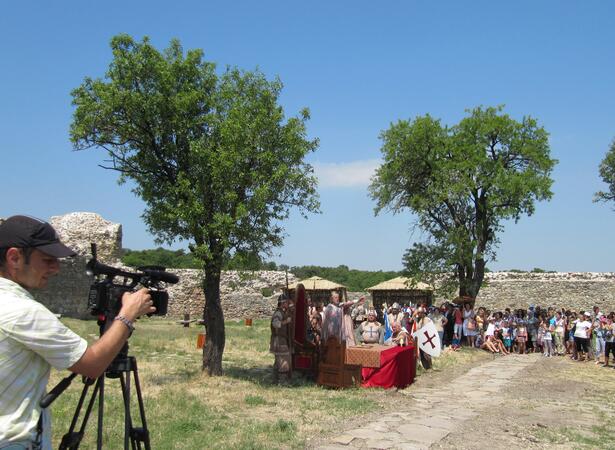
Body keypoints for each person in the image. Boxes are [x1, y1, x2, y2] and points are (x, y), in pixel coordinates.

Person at [0, 215, 154, 450]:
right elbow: (92, 364)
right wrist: (128, 314)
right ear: (14, 258)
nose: (56, 268)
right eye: (48, 259)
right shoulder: (24, 312)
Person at [270, 294, 293, 382]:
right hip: (279, 340)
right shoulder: (278, 313)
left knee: (279, 360)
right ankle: (282, 381)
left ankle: (275, 379)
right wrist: (286, 321)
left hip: (282, 340)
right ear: (283, 303)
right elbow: (276, 324)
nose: (287, 304)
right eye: (286, 303)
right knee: (283, 360)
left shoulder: (283, 312)